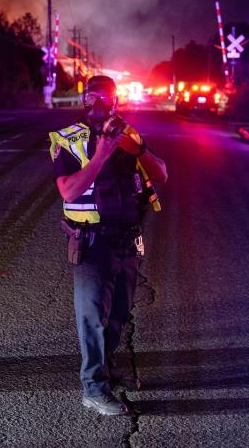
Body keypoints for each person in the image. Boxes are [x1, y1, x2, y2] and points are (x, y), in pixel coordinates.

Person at [49, 75, 168, 416]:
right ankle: (93, 387)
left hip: (127, 239)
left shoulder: (129, 135)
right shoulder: (69, 140)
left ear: (116, 100)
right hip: (91, 242)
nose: (98, 104)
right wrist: (100, 155)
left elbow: (161, 174)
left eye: (106, 97)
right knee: (93, 318)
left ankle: (109, 367)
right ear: (83, 100)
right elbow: (68, 191)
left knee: (118, 313)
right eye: (91, 97)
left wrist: (139, 149)